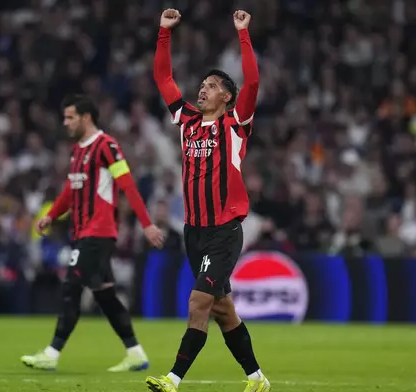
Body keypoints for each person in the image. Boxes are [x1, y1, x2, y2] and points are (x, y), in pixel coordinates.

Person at [146, 9, 270, 392]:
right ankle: (257, 378)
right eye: (202, 83)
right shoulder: (185, 120)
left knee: (199, 302)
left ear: (227, 97)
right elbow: (163, 77)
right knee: (223, 310)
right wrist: (164, 32)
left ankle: (172, 379)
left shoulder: (236, 124)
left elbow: (253, 81)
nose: (203, 88)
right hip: (193, 232)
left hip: (225, 231)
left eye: (213, 85)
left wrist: (243, 33)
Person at [21, 94, 165, 372]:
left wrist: (146, 223)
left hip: (99, 232)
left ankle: (52, 353)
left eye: (70, 117)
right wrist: (51, 215)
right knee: (105, 295)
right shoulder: (78, 150)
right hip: (83, 231)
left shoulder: (106, 146)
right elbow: (70, 191)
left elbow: (128, 185)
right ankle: (135, 353)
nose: (65, 122)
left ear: (86, 117)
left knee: (71, 287)